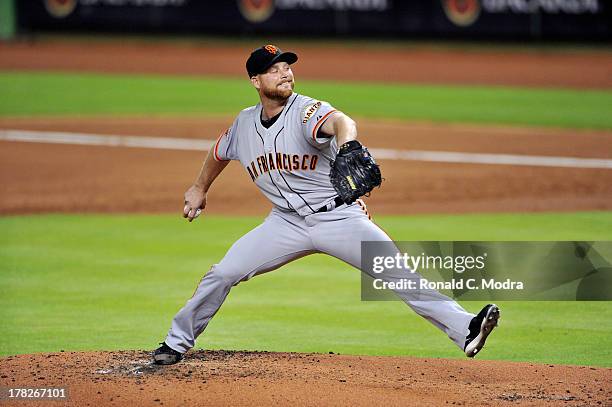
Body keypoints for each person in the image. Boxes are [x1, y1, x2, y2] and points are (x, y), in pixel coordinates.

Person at [153, 45, 500, 365]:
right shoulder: (244, 123)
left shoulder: (305, 110)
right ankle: (175, 342)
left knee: (398, 273)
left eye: (287, 67)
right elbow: (219, 152)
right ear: (255, 80)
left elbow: (342, 122)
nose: (285, 73)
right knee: (223, 273)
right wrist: (199, 188)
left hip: (338, 218)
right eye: (274, 70)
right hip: (284, 224)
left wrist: (348, 145)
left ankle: (466, 328)